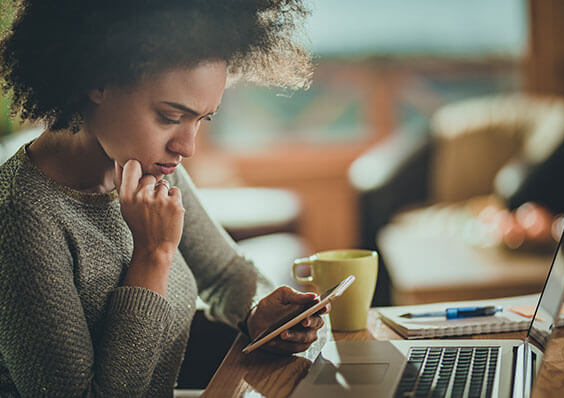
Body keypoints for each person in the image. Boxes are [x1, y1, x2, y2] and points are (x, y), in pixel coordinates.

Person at [0, 0, 325, 396]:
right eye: (170, 117)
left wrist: (258, 311)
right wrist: (152, 256)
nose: (187, 146)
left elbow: (223, 274)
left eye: (202, 119)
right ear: (96, 80)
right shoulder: (21, 217)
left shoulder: (147, 165)